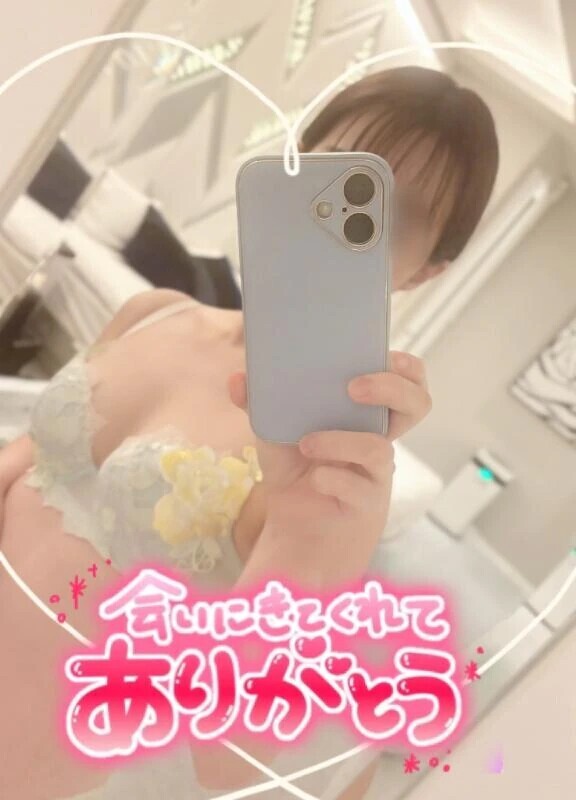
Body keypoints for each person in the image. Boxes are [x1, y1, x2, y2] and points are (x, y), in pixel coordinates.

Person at [0, 65, 498, 800]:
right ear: (288, 166)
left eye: (392, 217)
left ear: (424, 272)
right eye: (332, 174)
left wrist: (306, 522)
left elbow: (242, 743)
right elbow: (30, 457)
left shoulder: (328, 460)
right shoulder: (157, 312)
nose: (338, 219)